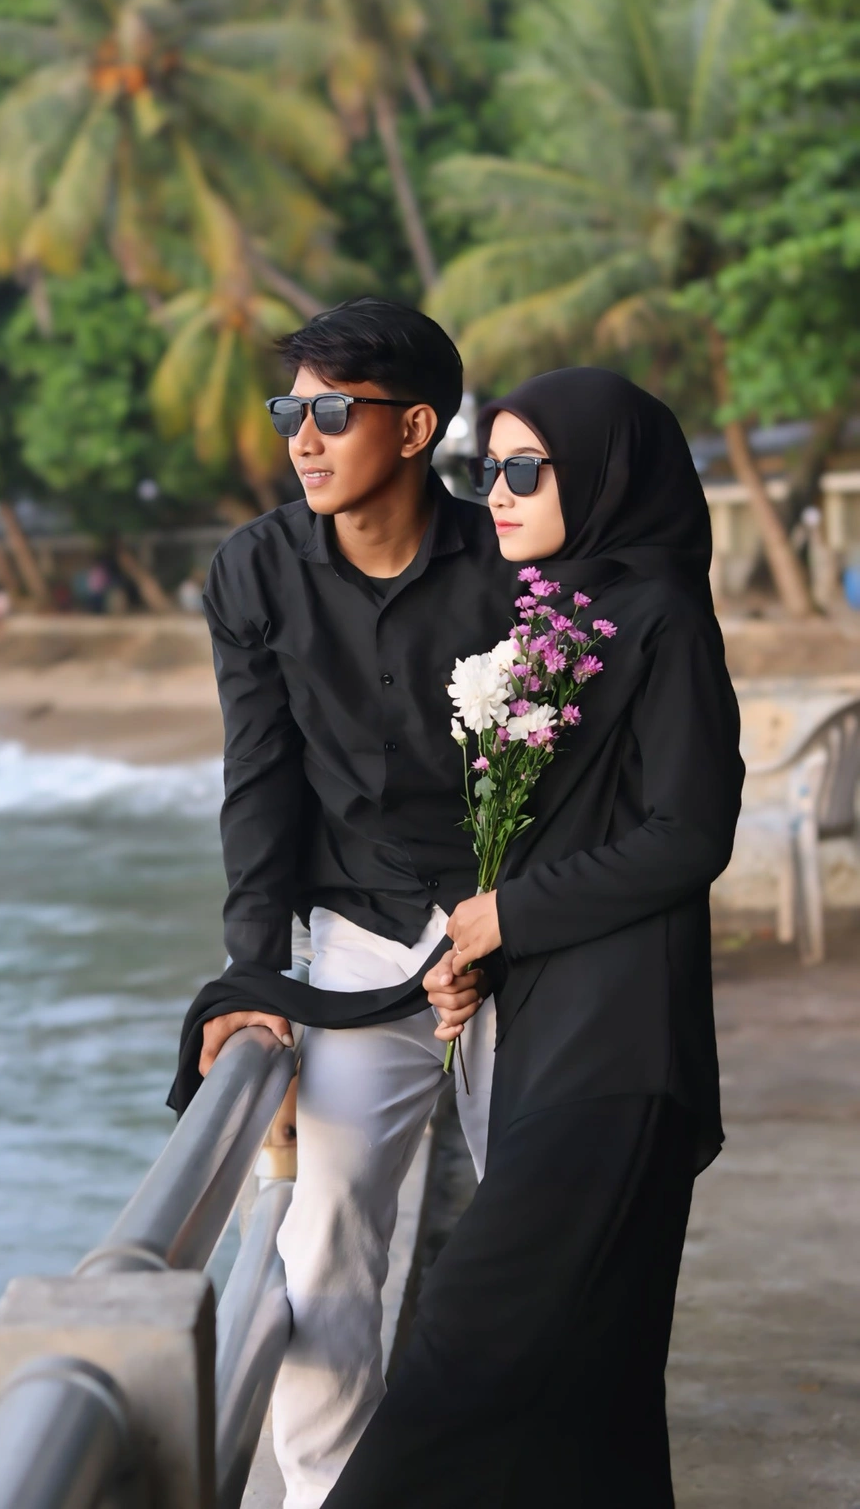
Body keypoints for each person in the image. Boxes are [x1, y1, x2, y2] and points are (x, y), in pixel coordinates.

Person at [315, 366, 745, 1508]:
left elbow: (690, 833)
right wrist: (480, 953)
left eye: (522, 470)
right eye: (484, 469)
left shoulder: (661, 616)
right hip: (548, 1035)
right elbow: (562, 836)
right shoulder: (560, 617)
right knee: (593, 1399)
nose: (494, 494)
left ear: (601, 475)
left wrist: (508, 914)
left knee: (458, 1363)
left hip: (621, 1046)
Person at [172, 297, 512, 1509]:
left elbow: (573, 774)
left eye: (332, 413)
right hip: (360, 945)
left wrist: (509, 919)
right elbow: (260, 781)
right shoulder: (254, 570)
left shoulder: (514, 568)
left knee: (536, 1231)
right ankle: (325, 1496)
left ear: (416, 428)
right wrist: (255, 976)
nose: (302, 440)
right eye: (291, 412)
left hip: (515, 949)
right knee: (321, 1243)